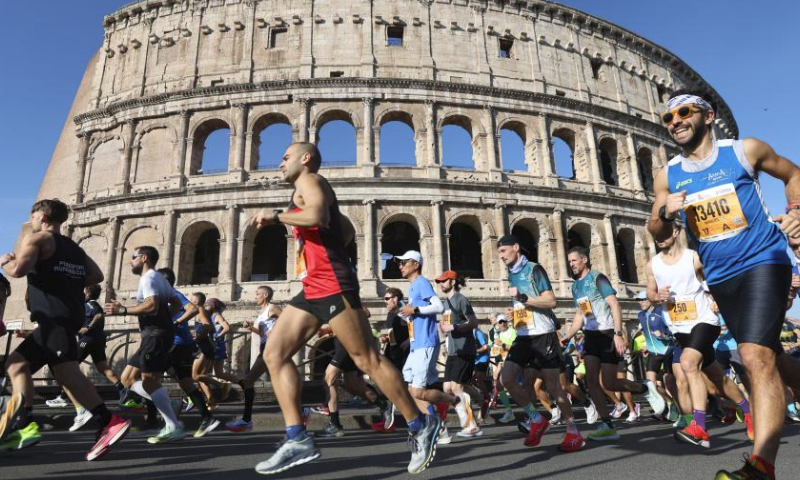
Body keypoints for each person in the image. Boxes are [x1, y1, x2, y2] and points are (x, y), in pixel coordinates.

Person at [249, 143, 440, 475]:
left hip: (334, 285)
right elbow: (344, 228)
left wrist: (277, 216)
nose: (280, 163)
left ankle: (420, 424)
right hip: (313, 288)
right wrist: (331, 240)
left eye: (285, 156)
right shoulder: (304, 187)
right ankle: (297, 438)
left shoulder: (309, 180)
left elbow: (319, 216)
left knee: (368, 359)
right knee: (274, 355)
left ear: (305, 158)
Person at [647, 90, 800, 480]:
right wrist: (667, 210)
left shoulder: (744, 151)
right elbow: (656, 228)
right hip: (720, 276)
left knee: (753, 356)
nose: (676, 121)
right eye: (669, 118)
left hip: (764, 260)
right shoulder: (669, 174)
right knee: (773, 358)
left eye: (684, 112)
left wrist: (796, 212)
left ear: (709, 116)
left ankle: (761, 466)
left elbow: (792, 173)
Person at [0, 199, 130, 459]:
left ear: (43, 216)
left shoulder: (37, 239)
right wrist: (62, 276)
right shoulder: (73, 247)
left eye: (33, 214)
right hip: (65, 317)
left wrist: (5, 261)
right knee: (17, 364)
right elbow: (96, 276)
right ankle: (24, 424)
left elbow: (18, 270)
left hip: (53, 316)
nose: (32, 219)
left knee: (67, 373)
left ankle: (108, 421)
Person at [646, 224, 753, 448]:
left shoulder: (693, 258)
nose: (660, 238)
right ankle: (748, 410)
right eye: (656, 236)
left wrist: (716, 297)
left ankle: (700, 427)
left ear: (675, 232)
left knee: (687, 363)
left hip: (705, 321)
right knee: (716, 378)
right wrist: (658, 297)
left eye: (664, 233)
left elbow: (715, 278)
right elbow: (650, 293)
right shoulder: (652, 265)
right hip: (680, 328)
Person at [562, 246, 666, 441]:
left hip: (608, 333)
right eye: (569, 262)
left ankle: (645, 388)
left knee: (610, 382)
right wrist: (568, 335)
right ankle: (607, 424)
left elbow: (615, 304)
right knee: (592, 381)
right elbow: (580, 314)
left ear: (584, 260)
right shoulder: (575, 286)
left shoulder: (597, 279)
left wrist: (618, 333)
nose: (571, 264)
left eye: (574, 260)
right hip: (591, 335)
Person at [496, 234, 584, 452]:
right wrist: (515, 313)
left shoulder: (535, 269)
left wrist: (524, 299)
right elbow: (524, 304)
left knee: (554, 386)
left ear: (516, 247)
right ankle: (536, 419)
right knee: (506, 378)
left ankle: (573, 432)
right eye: (498, 253)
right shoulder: (511, 274)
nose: (500, 256)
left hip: (543, 334)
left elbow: (551, 301)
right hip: (523, 334)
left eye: (503, 251)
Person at [105, 245, 185, 444]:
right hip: (155, 334)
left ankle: (172, 426)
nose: (130, 260)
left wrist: (122, 310)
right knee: (127, 378)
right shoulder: (159, 278)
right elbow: (177, 304)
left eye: (133, 256)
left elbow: (151, 305)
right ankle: (167, 402)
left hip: (155, 335)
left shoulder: (148, 278)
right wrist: (166, 319)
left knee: (149, 381)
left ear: (144, 258)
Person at [394, 251, 465, 446]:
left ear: (415, 264)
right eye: (399, 263)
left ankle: (454, 400)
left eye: (403, 262)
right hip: (417, 344)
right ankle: (438, 428)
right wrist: (400, 311)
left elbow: (438, 306)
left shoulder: (421, 283)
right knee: (411, 389)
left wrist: (414, 309)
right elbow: (413, 317)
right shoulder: (413, 287)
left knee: (417, 391)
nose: (400, 265)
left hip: (425, 342)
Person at [157, 267, 220, 438]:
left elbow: (192, 310)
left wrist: (174, 323)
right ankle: (206, 417)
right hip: (179, 344)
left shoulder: (173, 294)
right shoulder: (164, 295)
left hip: (176, 345)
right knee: (185, 381)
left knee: (147, 378)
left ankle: (163, 419)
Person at [64, 284, 128, 432]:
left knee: (69, 365)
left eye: (84, 290)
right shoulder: (91, 305)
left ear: (87, 292)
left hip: (88, 339)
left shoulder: (91, 304)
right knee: (102, 367)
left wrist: (88, 328)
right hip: (98, 340)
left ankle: (64, 396)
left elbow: (99, 315)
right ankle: (122, 389)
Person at [227, 286, 281, 432]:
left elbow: (286, 320)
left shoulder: (273, 307)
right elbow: (262, 332)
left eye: (257, 294)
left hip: (272, 348)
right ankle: (301, 412)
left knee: (250, 381)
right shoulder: (262, 311)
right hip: (265, 347)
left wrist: (275, 330)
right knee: (278, 381)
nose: (255, 296)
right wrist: (251, 328)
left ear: (265, 295)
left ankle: (246, 420)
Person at [435, 270, 481, 439]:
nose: (440, 284)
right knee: (447, 388)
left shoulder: (461, 300)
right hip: (453, 350)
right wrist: (444, 334)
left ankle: (470, 424)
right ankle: (478, 397)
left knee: (456, 388)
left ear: (452, 282)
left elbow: (473, 322)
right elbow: (447, 326)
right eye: (439, 281)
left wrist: (454, 327)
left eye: (443, 281)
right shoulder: (445, 303)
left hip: (465, 348)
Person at [635, 291, 674, 419]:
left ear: (650, 300)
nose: (641, 302)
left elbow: (673, 329)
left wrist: (664, 335)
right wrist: (647, 345)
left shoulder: (660, 311)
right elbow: (646, 333)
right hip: (653, 353)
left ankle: (676, 408)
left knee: (669, 383)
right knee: (651, 385)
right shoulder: (640, 315)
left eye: (643, 299)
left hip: (668, 350)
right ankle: (668, 404)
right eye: (638, 300)